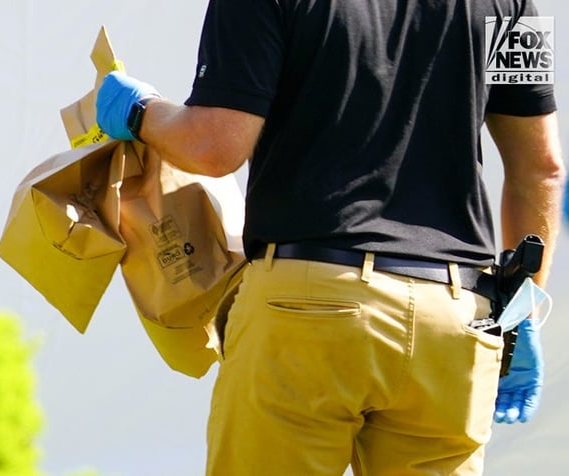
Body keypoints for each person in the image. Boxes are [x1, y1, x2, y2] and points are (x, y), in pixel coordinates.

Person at [96, 0, 565, 474]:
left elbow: (214, 146)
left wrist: (139, 112)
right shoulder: (514, 3)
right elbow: (542, 169)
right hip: (455, 318)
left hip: (310, 305)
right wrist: (522, 308)